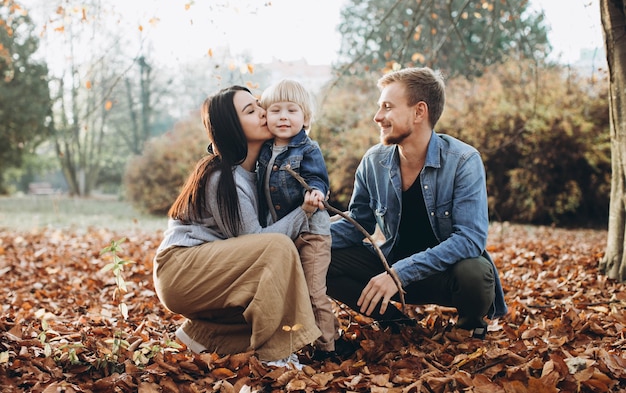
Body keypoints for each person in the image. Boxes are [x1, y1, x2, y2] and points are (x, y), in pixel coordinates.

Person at [327, 67, 507, 338]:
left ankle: (469, 329)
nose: (378, 117)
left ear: (419, 111)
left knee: (476, 272)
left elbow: (470, 239)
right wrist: (304, 237)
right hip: (389, 268)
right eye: (380, 107)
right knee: (319, 256)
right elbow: (356, 223)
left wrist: (400, 273)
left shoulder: (463, 161)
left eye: (387, 107)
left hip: (443, 276)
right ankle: (397, 326)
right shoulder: (373, 161)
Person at [152, 85, 323, 369]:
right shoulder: (223, 176)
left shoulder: (256, 174)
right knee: (277, 248)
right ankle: (276, 356)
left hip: (203, 265)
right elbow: (257, 242)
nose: (262, 112)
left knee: (261, 307)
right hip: (180, 269)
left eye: (258, 105)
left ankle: (201, 336)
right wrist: (303, 211)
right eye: (250, 110)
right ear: (233, 127)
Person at [257, 79, 336, 360]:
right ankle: (302, 339)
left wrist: (316, 193)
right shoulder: (264, 150)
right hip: (282, 231)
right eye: (276, 110)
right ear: (265, 116)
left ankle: (328, 347)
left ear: (305, 117)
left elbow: (317, 178)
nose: (283, 117)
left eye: (292, 110)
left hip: (312, 231)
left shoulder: (307, 148)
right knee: (293, 291)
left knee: (314, 291)